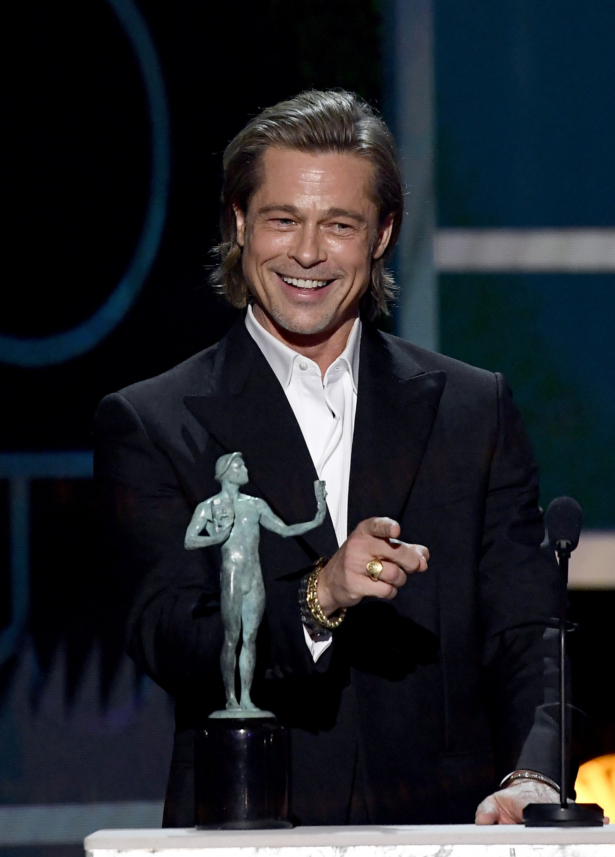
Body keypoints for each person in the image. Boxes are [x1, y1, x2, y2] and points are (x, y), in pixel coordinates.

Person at [94, 90, 563, 827]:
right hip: (250, 819)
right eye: (282, 219)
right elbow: (170, 635)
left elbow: (528, 628)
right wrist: (320, 593)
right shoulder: (152, 421)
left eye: (338, 225)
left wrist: (533, 774)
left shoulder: (472, 409)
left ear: (380, 236)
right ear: (240, 223)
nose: (307, 253)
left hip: (446, 828)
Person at [184, 452, 327, 714]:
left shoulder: (255, 505)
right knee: (232, 638)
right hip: (232, 575)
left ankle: (246, 698)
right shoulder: (209, 506)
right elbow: (189, 540)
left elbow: (283, 530)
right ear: (226, 472)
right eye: (240, 465)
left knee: (250, 639)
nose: (245, 468)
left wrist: (317, 518)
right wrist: (215, 538)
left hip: (254, 575)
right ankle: (230, 698)